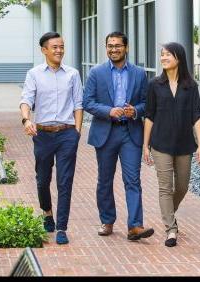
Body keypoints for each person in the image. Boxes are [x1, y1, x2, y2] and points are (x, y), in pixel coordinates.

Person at [83, 32, 154, 241]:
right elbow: (87, 102)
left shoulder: (139, 74)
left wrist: (136, 111)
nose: (113, 49)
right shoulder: (96, 73)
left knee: (133, 180)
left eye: (117, 46)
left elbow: (146, 103)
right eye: (110, 46)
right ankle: (107, 220)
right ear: (106, 48)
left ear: (126, 47)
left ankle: (135, 226)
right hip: (105, 132)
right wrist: (109, 111)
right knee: (104, 180)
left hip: (130, 133)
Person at [19, 32, 83, 245]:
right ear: (44, 50)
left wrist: (77, 133)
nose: (59, 50)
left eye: (61, 46)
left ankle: (62, 228)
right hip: (43, 134)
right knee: (42, 179)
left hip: (67, 134)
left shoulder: (72, 74)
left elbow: (78, 104)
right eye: (54, 47)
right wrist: (26, 120)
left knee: (65, 181)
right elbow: (26, 99)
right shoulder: (34, 74)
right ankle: (47, 212)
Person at [143, 42, 200, 247]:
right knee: (165, 187)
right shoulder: (154, 84)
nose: (163, 58)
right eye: (162, 55)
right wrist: (146, 145)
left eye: (167, 55)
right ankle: (171, 229)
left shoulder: (191, 86)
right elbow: (149, 116)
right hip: (160, 143)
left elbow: (197, 116)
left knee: (182, 186)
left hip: (184, 144)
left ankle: (169, 213)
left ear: (179, 58)